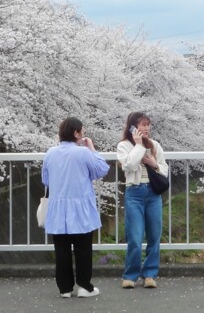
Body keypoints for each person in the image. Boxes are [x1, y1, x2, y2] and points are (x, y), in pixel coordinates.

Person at [42, 117, 110, 298]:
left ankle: (64, 288)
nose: (82, 135)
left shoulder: (50, 153)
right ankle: (84, 286)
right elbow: (102, 169)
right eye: (81, 132)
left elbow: (46, 179)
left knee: (62, 249)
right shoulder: (83, 153)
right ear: (76, 133)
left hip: (58, 208)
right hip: (80, 207)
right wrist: (92, 148)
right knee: (83, 249)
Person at [117, 111, 168, 289]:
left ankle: (149, 274)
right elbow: (129, 166)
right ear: (133, 127)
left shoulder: (155, 145)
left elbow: (164, 170)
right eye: (142, 125)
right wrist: (138, 146)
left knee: (154, 235)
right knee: (135, 236)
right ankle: (130, 275)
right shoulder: (124, 146)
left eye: (148, 125)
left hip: (153, 194)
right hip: (134, 193)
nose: (146, 128)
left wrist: (153, 163)